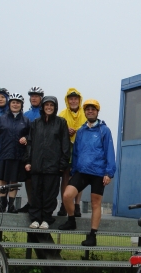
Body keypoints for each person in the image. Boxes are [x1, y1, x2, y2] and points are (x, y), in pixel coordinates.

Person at [58, 99, 116, 247]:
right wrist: (74, 169)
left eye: (93, 109)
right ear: (85, 112)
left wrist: (109, 173)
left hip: (98, 172)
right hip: (82, 171)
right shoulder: (82, 131)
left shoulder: (104, 130)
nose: (90, 111)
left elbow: (110, 152)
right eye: (88, 109)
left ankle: (92, 235)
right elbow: (76, 152)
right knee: (67, 195)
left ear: (97, 112)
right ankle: (71, 221)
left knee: (96, 203)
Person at [25, 96, 70, 229]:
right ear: (43, 107)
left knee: (50, 194)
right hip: (36, 164)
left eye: (51, 105)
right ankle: (35, 219)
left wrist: (63, 163)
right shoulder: (35, 123)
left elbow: (65, 144)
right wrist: (28, 161)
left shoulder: (61, 122)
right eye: (46, 105)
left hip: (53, 166)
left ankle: (46, 219)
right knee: (36, 193)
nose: (49, 107)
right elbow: (30, 143)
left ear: (55, 107)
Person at [0, 93, 30, 213]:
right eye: (13, 102)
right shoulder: (1, 119)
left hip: (17, 155)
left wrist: (26, 138)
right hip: (2, 154)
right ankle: (1, 204)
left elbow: (30, 136)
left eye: (18, 103)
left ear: (21, 105)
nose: (15, 105)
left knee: (14, 180)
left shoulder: (26, 121)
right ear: (9, 104)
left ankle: (11, 205)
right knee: (2, 180)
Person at [57, 88, 87, 217]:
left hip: (81, 150)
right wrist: (65, 130)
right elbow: (55, 130)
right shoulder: (62, 114)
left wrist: (78, 131)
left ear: (79, 100)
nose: (73, 101)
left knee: (78, 178)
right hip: (65, 149)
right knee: (65, 177)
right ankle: (64, 204)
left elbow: (88, 128)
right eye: (71, 99)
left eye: (75, 99)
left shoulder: (86, 113)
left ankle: (77, 205)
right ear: (67, 100)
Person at [16, 86, 44, 213]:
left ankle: (40, 204)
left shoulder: (45, 113)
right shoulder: (25, 114)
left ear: (41, 98)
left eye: (36, 96)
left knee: (40, 179)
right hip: (28, 151)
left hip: (41, 151)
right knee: (28, 178)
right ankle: (30, 202)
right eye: (32, 96)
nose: (34, 98)